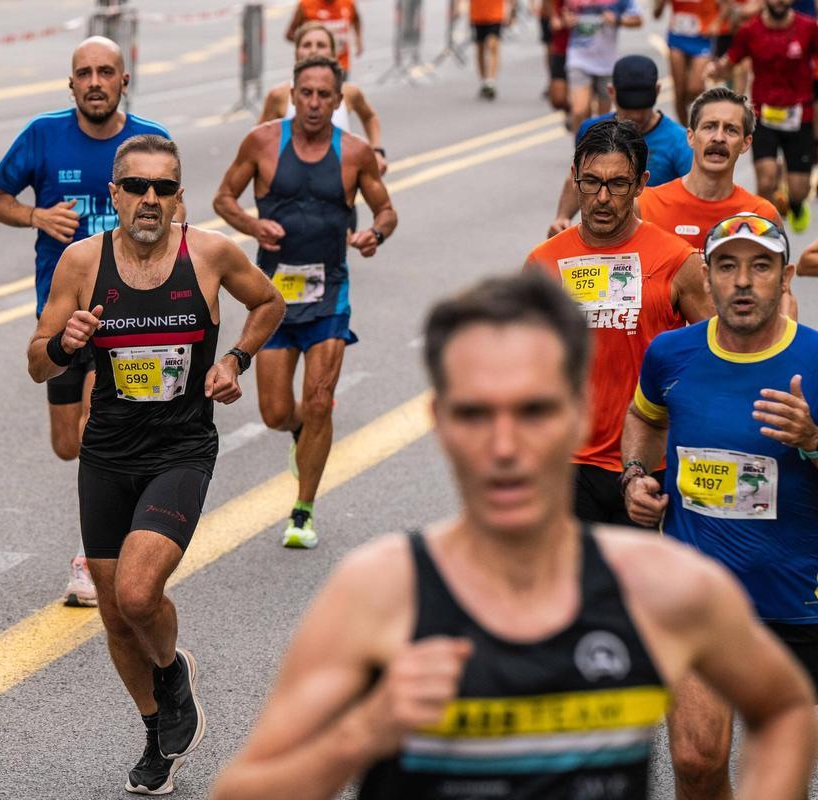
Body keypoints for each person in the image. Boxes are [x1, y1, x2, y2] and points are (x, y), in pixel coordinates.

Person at [210, 273, 817, 800]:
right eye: (476, 414)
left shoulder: (659, 585)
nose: (505, 448)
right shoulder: (381, 592)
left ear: (578, 415)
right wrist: (365, 732)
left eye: (534, 411)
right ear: (441, 423)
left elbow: (787, 708)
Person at [27, 135, 284, 795]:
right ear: (112, 195)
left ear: (179, 197)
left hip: (180, 448)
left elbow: (270, 302)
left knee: (139, 593)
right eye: (136, 187)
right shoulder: (82, 262)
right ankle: (156, 730)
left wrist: (237, 362)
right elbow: (37, 361)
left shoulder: (211, 255)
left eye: (163, 188)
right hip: (108, 451)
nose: (149, 200)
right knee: (114, 616)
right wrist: (64, 342)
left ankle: (172, 674)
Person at [622, 213, 818, 800]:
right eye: (727, 266)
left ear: (785, 279)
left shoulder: (815, 358)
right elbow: (643, 418)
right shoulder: (671, 355)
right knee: (696, 758)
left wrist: (812, 439)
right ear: (706, 278)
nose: (742, 281)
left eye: (760, 267)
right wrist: (636, 474)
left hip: (795, 599)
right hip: (698, 596)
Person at [0, 36, 178, 608]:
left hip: (127, 316)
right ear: (71, 84)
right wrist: (35, 215)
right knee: (68, 443)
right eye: (84, 73)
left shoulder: (147, 143)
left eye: (106, 72)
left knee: (101, 423)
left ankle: (93, 554)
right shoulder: (44, 135)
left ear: (124, 81)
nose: (95, 81)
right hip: (63, 311)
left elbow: (175, 211)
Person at [213, 56, 397, 549]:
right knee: (276, 412)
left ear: (338, 102)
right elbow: (223, 198)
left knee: (319, 399)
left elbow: (386, 209)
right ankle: (302, 432)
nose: (314, 103)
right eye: (306, 93)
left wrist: (374, 234)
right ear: (292, 95)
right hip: (272, 298)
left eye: (324, 95)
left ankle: (303, 509)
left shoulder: (355, 153)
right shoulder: (262, 143)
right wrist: (252, 225)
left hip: (329, 294)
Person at [526, 118, 710, 525]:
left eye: (618, 184)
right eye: (591, 182)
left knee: (639, 586)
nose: (603, 198)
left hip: (648, 463)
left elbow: (717, 353)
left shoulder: (678, 261)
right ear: (575, 179)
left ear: (641, 183)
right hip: (566, 463)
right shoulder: (542, 264)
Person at [706, 0, 818, 232]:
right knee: (765, 181)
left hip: (801, 117)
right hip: (764, 117)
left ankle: (795, 202)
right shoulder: (750, 31)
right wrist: (716, 69)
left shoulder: (809, 28)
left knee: (800, 190)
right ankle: (764, 234)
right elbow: (731, 59)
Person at [548, 55, 692, 237]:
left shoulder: (679, 142)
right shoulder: (591, 130)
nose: (637, 117)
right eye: (628, 109)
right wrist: (562, 217)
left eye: (642, 108)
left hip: (657, 237)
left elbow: (693, 196)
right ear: (611, 92)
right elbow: (578, 176)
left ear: (657, 91)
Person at [640, 87, 783, 252]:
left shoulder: (762, 216)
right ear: (690, 137)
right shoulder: (646, 206)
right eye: (709, 127)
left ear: (746, 143)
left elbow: (776, 276)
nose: (719, 138)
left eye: (731, 130)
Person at [259, 22, 388, 176]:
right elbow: (258, 144)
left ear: (333, 54)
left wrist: (376, 150)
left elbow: (369, 117)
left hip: (338, 190)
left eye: (321, 45)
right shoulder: (279, 96)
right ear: (296, 53)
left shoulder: (349, 93)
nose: (313, 50)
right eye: (306, 45)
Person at [563, 0, 643, 132]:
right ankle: (579, 149)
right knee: (579, 110)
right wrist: (567, 19)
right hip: (579, 57)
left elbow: (638, 20)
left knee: (603, 119)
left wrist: (617, 20)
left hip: (607, 63)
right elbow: (564, 12)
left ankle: (598, 150)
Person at [656, 0, 719, 124]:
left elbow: (726, 6)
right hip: (677, 38)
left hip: (702, 39)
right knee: (679, 91)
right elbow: (656, 14)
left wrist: (717, 23)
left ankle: (701, 121)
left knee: (696, 88)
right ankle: (684, 131)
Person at [286, 0, 362, 75]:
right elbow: (290, 34)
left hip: (341, 64)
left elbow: (356, 19)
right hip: (312, 66)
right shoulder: (306, 4)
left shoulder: (348, 3)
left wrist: (358, 41)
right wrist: (307, 45)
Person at [470, 0, 509, 100]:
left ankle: (490, 81)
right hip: (478, 14)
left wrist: (511, 10)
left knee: (493, 45)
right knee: (480, 49)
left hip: (495, 15)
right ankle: (483, 81)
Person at [541, 0, 572, 112]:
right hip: (562, 47)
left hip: (586, 50)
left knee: (582, 104)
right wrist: (554, 17)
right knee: (557, 100)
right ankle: (570, 111)